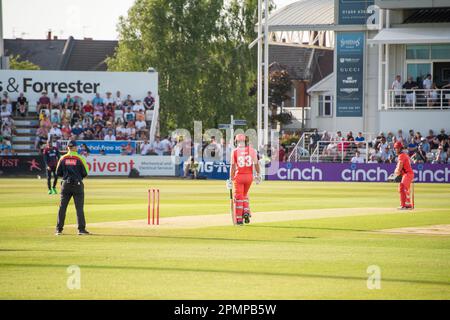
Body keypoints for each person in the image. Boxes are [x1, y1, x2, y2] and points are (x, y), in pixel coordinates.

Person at [55, 140, 90, 235]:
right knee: (79, 208)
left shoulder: (63, 158)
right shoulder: (80, 158)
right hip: (77, 184)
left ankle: (59, 229)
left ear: (67, 147)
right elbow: (85, 173)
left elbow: (58, 173)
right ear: (75, 147)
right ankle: (81, 230)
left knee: (62, 207)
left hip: (65, 184)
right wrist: (78, 176)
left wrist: (66, 176)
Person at [228, 134, 261, 225]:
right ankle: (246, 211)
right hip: (249, 177)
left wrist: (230, 178)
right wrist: (258, 174)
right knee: (244, 195)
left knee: (238, 198)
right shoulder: (252, 151)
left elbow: (233, 167)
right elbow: (256, 164)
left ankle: (239, 219)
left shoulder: (234, 151)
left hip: (239, 177)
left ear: (236, 142)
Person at [393, 141, 414, 210]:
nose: (395, 150)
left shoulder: (401, 156)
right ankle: (404, 205)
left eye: (396, 148)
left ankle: (406, 205)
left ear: (399, 148)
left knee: (403, 187)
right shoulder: (404, 155)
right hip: (407, 174)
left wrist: (396, 172)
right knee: (402, 188)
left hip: (408, 174)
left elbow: (399, 166)